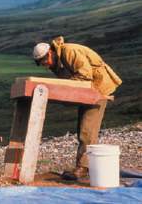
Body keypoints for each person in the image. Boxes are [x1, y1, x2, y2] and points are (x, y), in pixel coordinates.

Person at [33, 36, 122, 180]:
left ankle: (83, 168)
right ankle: (85, 166)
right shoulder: (58, 61)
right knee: (83, 129)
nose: (45, 65)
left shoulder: (69, 52)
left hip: (98, 90)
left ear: (50, 53)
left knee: (87, 130)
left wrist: (64, 89)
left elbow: (85, 75)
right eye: (41, 63)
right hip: (88, 92)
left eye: (44, 61)